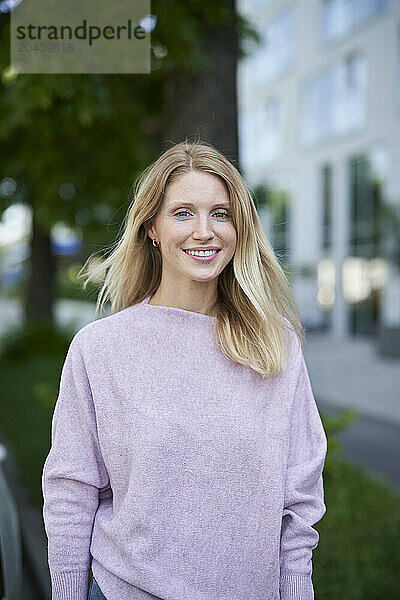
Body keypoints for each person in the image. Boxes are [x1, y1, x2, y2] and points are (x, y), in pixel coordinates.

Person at [42, 140, 328, 600]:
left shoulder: (276, 349)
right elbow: (71, 491)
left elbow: (299, 500)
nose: (204, 231)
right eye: (183, 213)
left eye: (220, 213)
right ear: (152, 227)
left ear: (240, 228)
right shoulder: (100, 350)